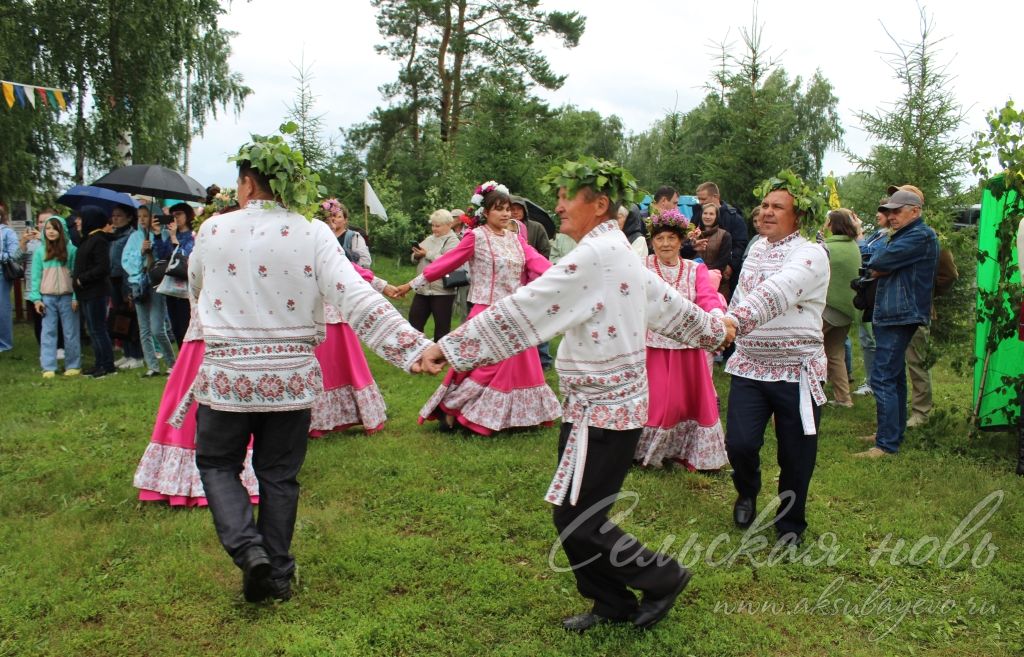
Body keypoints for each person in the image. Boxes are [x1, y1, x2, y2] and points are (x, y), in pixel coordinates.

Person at [417, 158, 731, 632]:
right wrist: (711, 329)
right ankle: (611, 602)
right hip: (599, 407)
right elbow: (664, 304)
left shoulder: (598, 257)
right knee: (574, 513)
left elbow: (529, 307)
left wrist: (452, 346)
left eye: (568, 196)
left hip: (605, 411)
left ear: (600, 204)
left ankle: (662, 576)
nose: (558, 205)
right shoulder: (618, 252)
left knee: (578, 517)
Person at [185, 137, 436, 604]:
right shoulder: (312, 231)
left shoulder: (212, 230)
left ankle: (248, 550)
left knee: (218, 463)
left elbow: (195, 284)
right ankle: (276, 573)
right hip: (291, 379)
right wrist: (412, 347)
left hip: (227, 378)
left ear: (246, 182)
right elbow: (354, 295)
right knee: (279, 475)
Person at [394, 181, 561, 436]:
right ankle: (454, 411)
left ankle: (514, 418)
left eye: (508, 208)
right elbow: (445, 264)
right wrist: (412, 284)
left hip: (513, 312)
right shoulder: (476, 237)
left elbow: (539, 263)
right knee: (484, 367)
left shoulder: (517, 240)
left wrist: (568, 278)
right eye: (499, 209)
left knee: (518, 367)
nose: (506, 214)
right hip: (485, 311)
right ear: (485, 212)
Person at [723, 172, 830, 546]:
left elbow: (778, 291)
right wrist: (722, 332)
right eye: (764, 205)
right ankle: (747, 491)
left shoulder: (811, 253)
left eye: (777, 207)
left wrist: (732, 322)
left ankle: (790, 524)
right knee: (739, 444)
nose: (766, 212)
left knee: (796, 455)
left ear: (798, 216)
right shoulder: (755, 248)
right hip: (750, 366)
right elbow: (743, 293)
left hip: (795, 372)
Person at [134, 278, 259, 507]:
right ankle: (195, 478)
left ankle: (209, 476)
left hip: (225, 342)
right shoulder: (206, 255)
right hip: (208, 341)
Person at [634, 209, 728, 470]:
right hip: (653, 346)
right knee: (661, 401)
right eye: (660, 238)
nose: (665, 244)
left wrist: (717, 316)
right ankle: (648, 453)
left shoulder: (694, 269)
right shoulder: (641, 267)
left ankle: (692, 453)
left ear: (681, 241)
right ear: (652, 241)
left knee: (691, 401)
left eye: (671, 238)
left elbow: (708, 297)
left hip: (689, 346)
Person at [855, 189, 938, 458]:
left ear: (915, 211)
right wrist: (878, 265)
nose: (890, 216)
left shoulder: (919, 235)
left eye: (896, 211)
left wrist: (881, 264)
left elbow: (878, 259)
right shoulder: (904, 235)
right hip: (893, 311)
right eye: (888, 211)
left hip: (900, 312)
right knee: (894, 375)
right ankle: (890, 432)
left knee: (882, 376)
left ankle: (886, 445)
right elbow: (871, 262)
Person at [122, 205, 178, 377]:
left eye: (146, 216)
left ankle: (171, 362)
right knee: (144, 328)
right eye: (140, 216)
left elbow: (166, 258)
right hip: (139, 284)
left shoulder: (162, 234)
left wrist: (155, 241)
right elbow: (126, 261)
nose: (143, 219)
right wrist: (141, 252)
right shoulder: (134, 237)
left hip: (156, 284)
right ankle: (152, 366)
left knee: (157, 328)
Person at [27, 216, 81, 377]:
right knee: (48, 332)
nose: (51, 231)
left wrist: (75, 297)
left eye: (55, 228)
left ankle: (73, 364)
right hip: (47, 298)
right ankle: (48, 366)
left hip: (67, 297)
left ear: (62, 231)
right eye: (48, 228)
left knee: (71, 332)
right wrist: (36, 299)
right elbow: (35, 277)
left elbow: (76, 276)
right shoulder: (39, 252)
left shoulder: (72, 251)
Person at [821, 209, 862, 408]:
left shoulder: (827, 248)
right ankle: (843, 398)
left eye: (826, 222)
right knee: (835, 352)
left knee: (808, 348)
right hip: (846, 309)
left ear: (832, 225)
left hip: (828, 308)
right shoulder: (853, 246)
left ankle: (810, 393)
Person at [73, 205, 117, 378]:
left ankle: (107, 365)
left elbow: (102, 267)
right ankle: (99, 363)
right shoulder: (87, 239)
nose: (77, 222)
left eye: (81, 219)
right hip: (86, 292)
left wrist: (82, 278)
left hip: (95, 291)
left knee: (98, 328)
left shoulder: (99, 239)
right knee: (92, 329)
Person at [409, 209, 461, 342]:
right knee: (413, 324)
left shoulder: (454, 241)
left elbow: (448, 262)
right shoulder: (429, 238)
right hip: (422, 289)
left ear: (449, 225)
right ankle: (416, 354)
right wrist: (415, 255)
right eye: (433, 225)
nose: (434, 229)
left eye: (437, 226)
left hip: (443, 292)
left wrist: (427, 254)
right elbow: (416, 256)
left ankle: (438, 358)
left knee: (442, 330)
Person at [696, 182, 749, 298]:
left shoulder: (734, 218)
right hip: (698, 271)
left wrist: (731, 266)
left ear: (715, 197)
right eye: (699, 199)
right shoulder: (697, 215)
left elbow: (740, 244)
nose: (700, 202)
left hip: (724, 273)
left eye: (703, 198)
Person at [109, 203, 144, 369]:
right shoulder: (113, 235)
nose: (115, 218)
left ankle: (136, 355)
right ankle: (127, 352)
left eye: (119, 215)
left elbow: (131, 261)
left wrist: (129, 288)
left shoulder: (132, 236)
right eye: (113, 215)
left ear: (129, 217)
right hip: (114, 279)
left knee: (130, 318)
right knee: (120, 318)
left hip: (126, 280)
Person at [19, 208, 55, 344]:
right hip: (33, 289)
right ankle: (43, 348)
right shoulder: (31, 242)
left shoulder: (59, 240)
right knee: (39, 322)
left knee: (54, 322)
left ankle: (59, 347)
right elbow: (16, 260)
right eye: (40, 222)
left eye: (45, 221)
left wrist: (44, 239)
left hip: (53, 287)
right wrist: (23, 242)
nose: (41, 225)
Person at [165, 203, 196, 347]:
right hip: (171, 284)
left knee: (185, 324)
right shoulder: (171, 235)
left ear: (187, 215)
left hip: (187, 284)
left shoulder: (193, 235)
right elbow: (163, 257)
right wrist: (159, 235)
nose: (175, 217)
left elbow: (185, 257)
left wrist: (174, 240)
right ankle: (180, 359)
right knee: (175, 324)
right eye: (173, 214)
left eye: (179, 214)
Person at [693, 203, 732, 296]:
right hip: (693, 279)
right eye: (705, 213)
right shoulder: (692, 234)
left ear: (716, 216)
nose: (707, 216)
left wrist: (704, 273)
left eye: (711, 214)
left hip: (717, 284)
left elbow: (723, 261)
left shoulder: (725, 235)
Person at [321, 198, 371, 267]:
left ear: (345, 220)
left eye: (338, 217)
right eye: (331, 216)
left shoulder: (354, 237)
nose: (333, 219)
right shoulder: (323, 235)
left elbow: (365, 261)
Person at [0, 205, 21, 353]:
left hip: (1, 275)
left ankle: (5, 344)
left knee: (2, 309)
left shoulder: (7, 232)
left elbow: (14, 254)